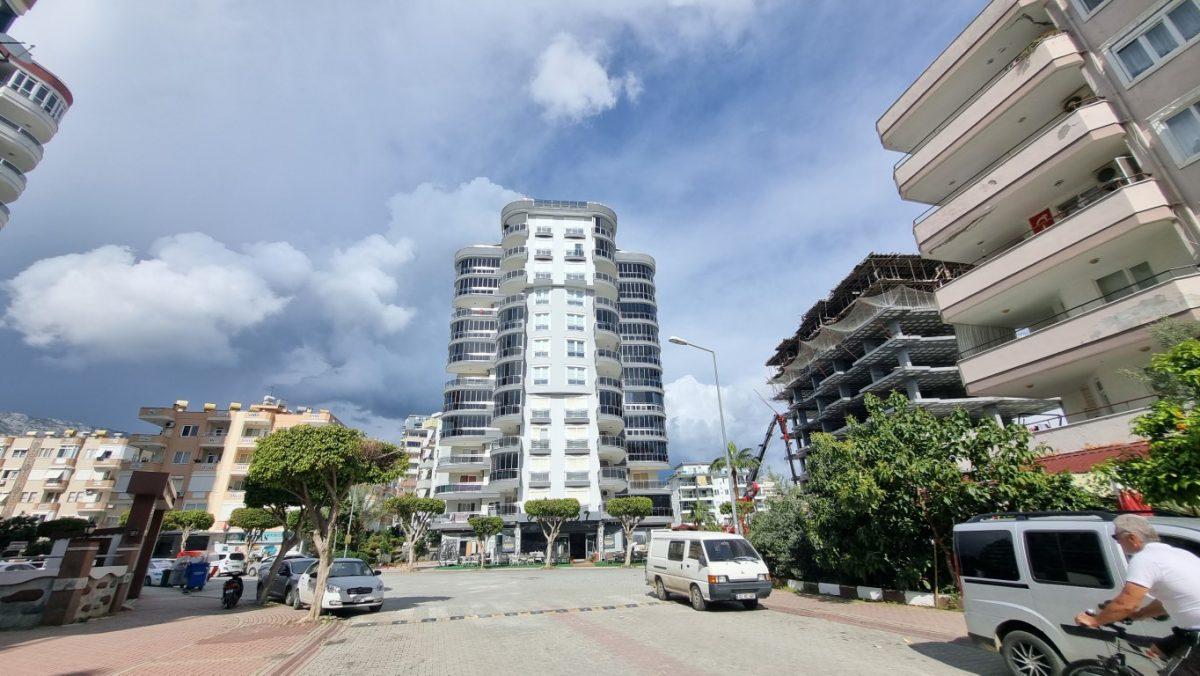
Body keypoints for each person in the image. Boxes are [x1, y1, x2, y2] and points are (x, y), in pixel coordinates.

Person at [1075, 514, 1200, 675]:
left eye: (1116, 537)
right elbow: (1168, 600)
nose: (1117, 541)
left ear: (1132, 538)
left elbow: (1126, 603)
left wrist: (1094, 620)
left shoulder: (1145, 559)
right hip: (1189, 631)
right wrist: (1138, 615)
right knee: (1156, 650)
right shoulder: (1180, 554)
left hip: (1195, 632)